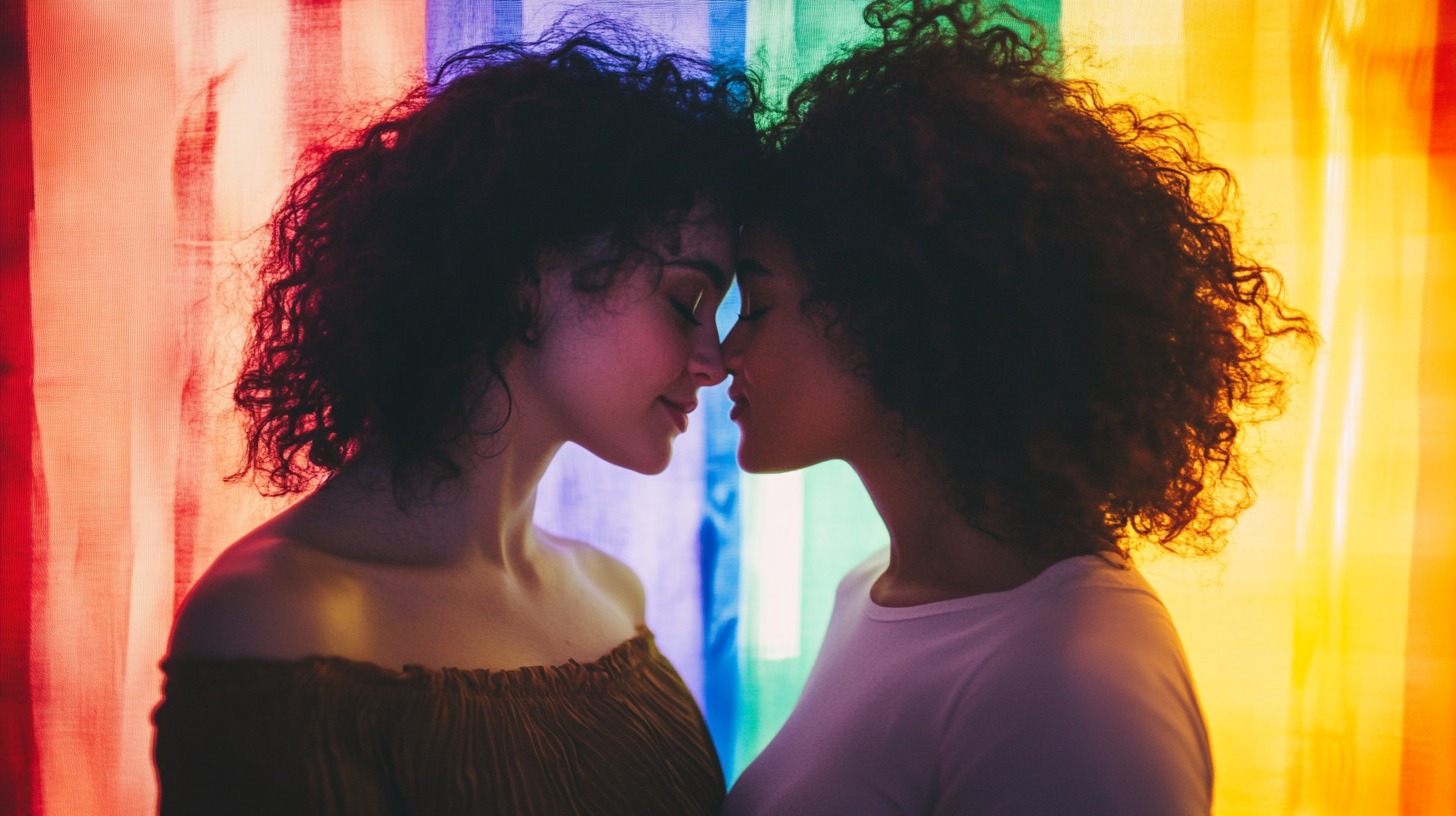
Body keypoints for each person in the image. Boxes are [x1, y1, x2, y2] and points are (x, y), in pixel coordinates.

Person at [720, 1, 1314, 814]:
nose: (723, 353)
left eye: (755, 304)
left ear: (894, 314)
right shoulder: (874, 590)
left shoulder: (1075, 680)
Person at [152, 24, 758, 815]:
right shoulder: (278, 623)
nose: (715, 359)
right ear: (524, 272)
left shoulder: (614, 598)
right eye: (688, 301)